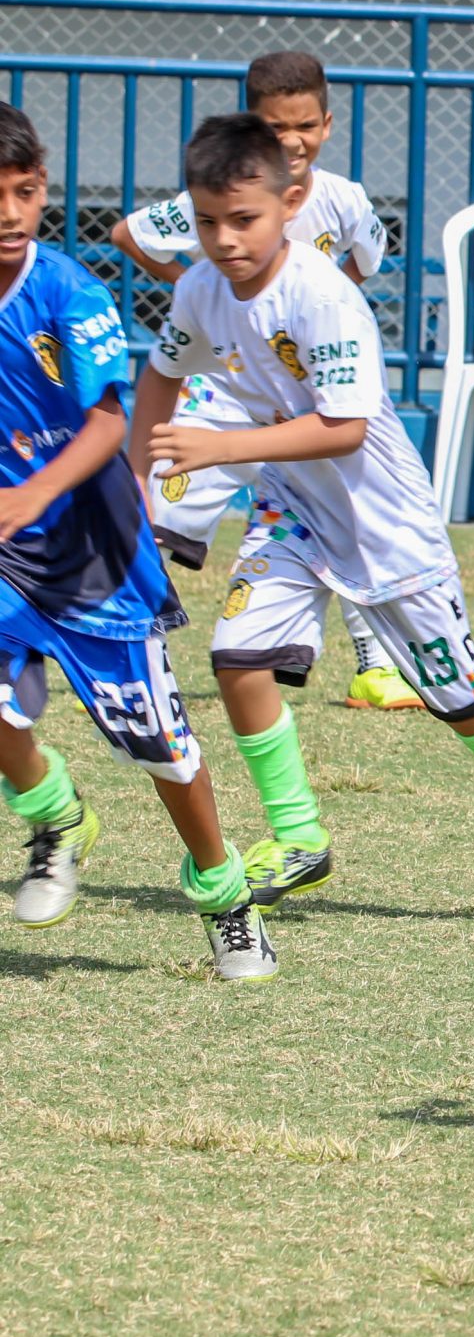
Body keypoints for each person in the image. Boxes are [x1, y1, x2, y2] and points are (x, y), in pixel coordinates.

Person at [130, 114, 474, 926]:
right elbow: (162, 373)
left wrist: (220, 444)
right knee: (236, 656)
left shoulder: (322, 293)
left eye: (245, 220)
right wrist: (137, 482)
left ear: (292, 202)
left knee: (461, 699)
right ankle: (299, 835)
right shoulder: (200, 287)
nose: (225, 240)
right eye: (207, 222)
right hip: (292, 509)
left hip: (386, 524)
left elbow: (341, 428)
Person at [0, 103, 275, 978]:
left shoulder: (63, 290)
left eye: (26, 191)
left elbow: (106, 424)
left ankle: (221, 888)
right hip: (6, 552)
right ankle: (54, 813)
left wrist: (33, 490)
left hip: (91, 556)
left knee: (160, 747)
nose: (11, 212)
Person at [109, 50, 416, 712]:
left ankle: (375, 667)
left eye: (305, 125)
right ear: (253, 125)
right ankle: (137, 661)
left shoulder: (346, 202)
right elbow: (129, 232)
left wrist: (330, 319)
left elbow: (366, 263)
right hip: (227, 390)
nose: (293, 140)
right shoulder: (222, 198)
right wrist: (201, 290)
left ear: (328, 124)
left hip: (311, 403)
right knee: (156, 518)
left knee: (343, 517)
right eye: (276, 127)